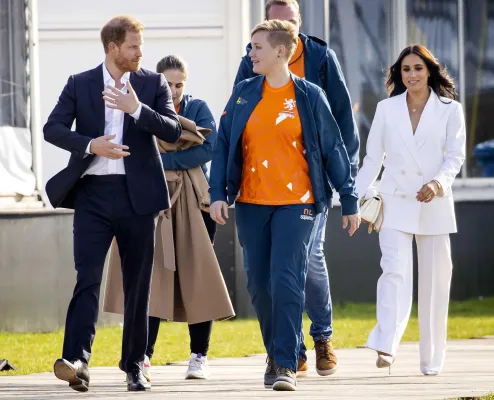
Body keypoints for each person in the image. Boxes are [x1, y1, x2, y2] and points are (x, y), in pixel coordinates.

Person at [209, 20, 360, 391]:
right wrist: (217, 193)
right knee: (259, 285)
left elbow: (333, 148)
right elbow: (223, 142)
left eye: (257, 47)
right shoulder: (244, 92)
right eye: (251, 47)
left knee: (286, 279)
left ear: (280, 51)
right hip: (251, 203)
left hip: (298, 204)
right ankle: (278, 352)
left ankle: (285, 364)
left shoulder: (309, 95)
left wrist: (349, 198)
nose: (251, 54)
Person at [43, 16, 181, 392]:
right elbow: (53, 128)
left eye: (141, 46)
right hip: (93, 195)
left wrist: (136, 109)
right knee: (87, 278)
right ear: (113, 48)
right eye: (133, 46)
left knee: (138, 284)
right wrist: (91, 145)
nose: (140, 53)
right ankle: (77, 361)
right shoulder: (80, 83)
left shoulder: (152, 83)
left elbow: (172, 130)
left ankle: (134, 366)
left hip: (139, 198)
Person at [103, 55, 235, 382]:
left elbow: (209, 149)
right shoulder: (140, 109)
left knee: (197, 276)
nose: (174, 91)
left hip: (195, 201)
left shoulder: (197, 108)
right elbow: (129, 150)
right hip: (151, 200)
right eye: (168, 84)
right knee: (151, 278)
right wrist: (176, 150)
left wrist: (162, 160)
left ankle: (199, 356)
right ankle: (143, 356)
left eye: (179, 84)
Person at [355, 44, 466, 375]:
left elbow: (455, 157)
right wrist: (355, 198)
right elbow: (372, 159)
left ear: (429, 71)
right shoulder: (386, 108)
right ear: (399, 73)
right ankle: (386, 345)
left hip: (435, 202)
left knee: (434, 283)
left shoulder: (451, 110)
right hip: (395, 201)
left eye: (418, 68)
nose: (412, 74)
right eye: (406, 69)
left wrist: (438, 183)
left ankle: (431, 361)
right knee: (394, 272)